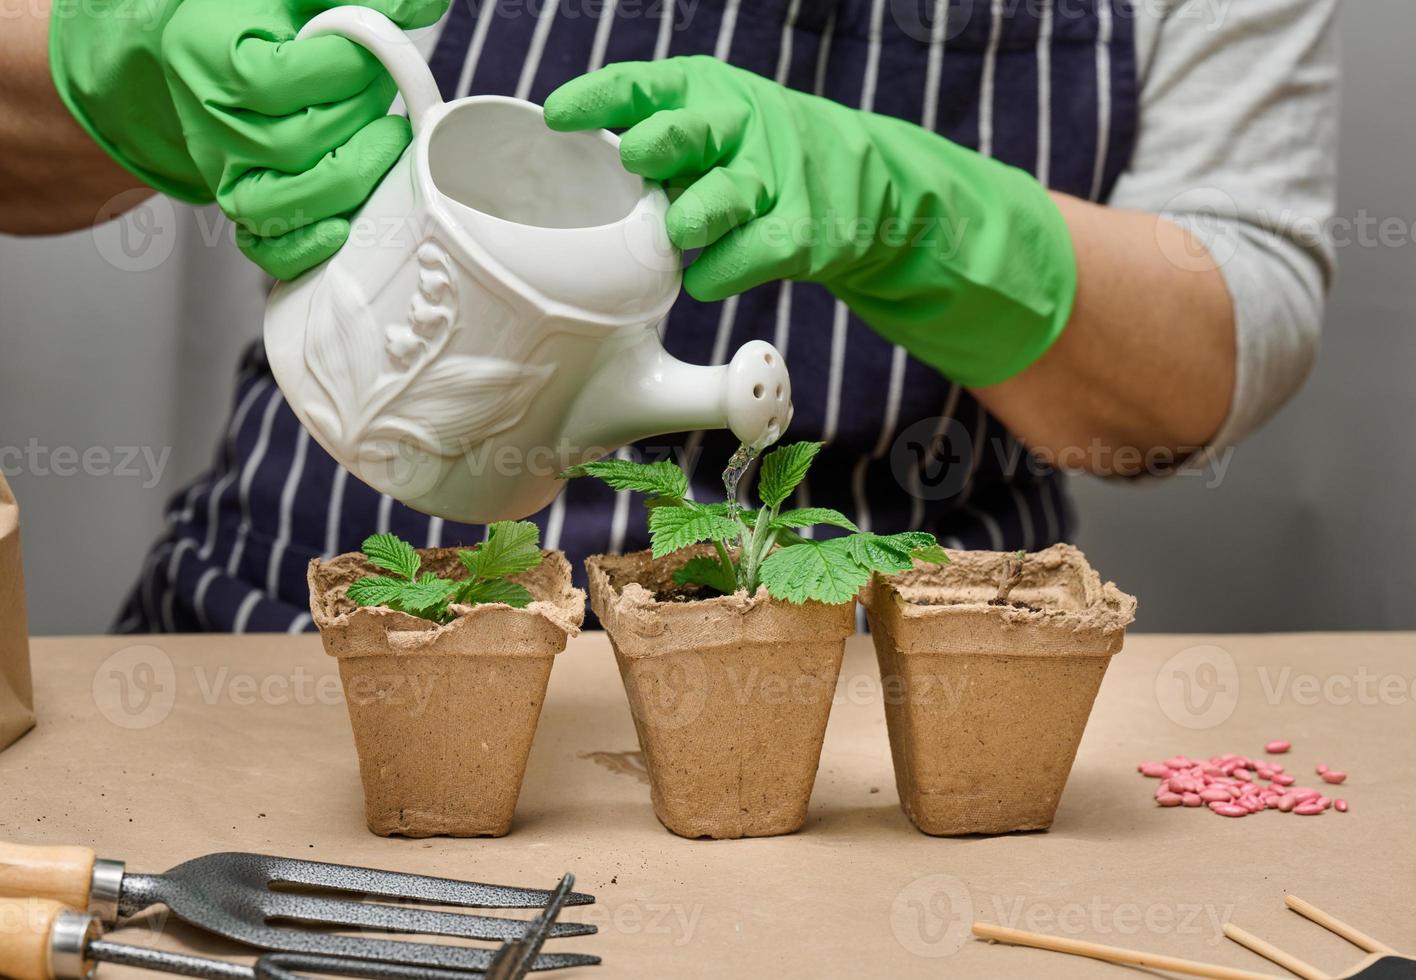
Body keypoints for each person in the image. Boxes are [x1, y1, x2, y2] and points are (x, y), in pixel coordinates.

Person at [2, 0, 1337, 632]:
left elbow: (1211, 361)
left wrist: (919, 214)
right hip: (282, 642)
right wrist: (127, 64)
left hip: (855, 726)